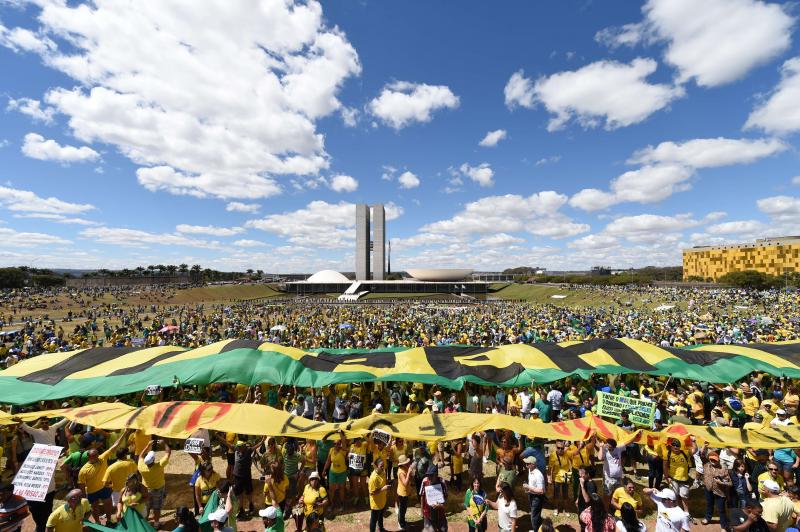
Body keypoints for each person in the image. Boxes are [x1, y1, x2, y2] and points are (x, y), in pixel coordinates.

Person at [77, 428, 127, 524]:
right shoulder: (83, 470)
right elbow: (81, 486)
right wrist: (83, 499)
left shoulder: (102, 458)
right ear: (89, 457)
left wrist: (125, 433)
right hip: (92, 491)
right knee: (95, 508)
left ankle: (108, 520)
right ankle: (97, 522)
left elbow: (115, 445)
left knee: (108, 505)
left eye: (97, 455)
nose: (97, 457)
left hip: (104, 487)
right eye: (94, 456)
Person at [137, 439, 171, 527]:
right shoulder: (159, 466)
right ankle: (156, 524)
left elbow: (140, 456)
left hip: (146, 490)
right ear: (153, 460)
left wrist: (147, 446)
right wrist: (164, 444)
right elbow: (168, 452)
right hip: (158, 489)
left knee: (146, 507)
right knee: (157, 507)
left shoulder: (141, 467)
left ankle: (144, 524)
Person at [702, 450, 731, 528]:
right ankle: (708, 518)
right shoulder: (706, 465)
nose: (712, 461)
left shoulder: (723, 469)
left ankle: (723, 526)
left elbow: (729, 483)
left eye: (714, 459)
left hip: (720, 492)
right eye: (711, 459)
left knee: (721, 509)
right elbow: (701, 454)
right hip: (708, 489)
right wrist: (704, 446)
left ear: (718, 460)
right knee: (709, 504)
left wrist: (721, 482)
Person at [323, 432, 347, 513]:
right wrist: (324, 470)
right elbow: (328, 461)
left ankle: (342, 504)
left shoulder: (343, 450)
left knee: (341, 489)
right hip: (332, 472)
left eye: (338, 443)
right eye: (334, 443)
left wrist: (340, 433)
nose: (336, 445)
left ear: (340, 444)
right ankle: (331, 504)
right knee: (331, 489)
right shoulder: (331, 450)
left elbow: (344, 441)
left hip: (342, 472)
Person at [419, 464, 447, 532]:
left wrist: (441, 505)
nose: (429, 477)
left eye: (431, 475)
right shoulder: (425, 481)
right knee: (430, 530)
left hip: (440, 513)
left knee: (443, 529)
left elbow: (446, 496)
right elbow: (422, 497)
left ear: (436, 474)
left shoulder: (442, 481)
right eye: (428, 475)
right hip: (428, 513)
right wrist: (422, 511)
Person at [547, 440, 571, 516]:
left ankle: (566, 509)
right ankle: (556, 508)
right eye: (558, 448)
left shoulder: (567, 453)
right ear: (556, 447)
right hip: (557, 476)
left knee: (565, 493)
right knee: (556, 494)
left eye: (562, 448)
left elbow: (575, 453)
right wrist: (549, 477)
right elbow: (550, 468)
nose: (560, 449)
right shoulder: (552, 455)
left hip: (566, 474)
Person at [522, 455, 545, 532]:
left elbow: (541, 491)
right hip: (532, 495)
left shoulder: (538, 475)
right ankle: (539, 529)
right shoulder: (530, 470)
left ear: (533, 464)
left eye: (528, 463)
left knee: (534, 517)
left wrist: (529, 487)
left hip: (537, 498)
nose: (526, 465)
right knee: (536, 515)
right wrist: (529, 490)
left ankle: (536, 530)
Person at [368, 458, 389, 532]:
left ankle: (381, 528)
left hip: (382, 500)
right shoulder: (373, 478)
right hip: (376, 503)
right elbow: (372, 492)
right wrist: (383, 489)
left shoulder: (383, 472)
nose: (383, 467)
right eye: (381, 466)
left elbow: (383, 482)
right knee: (374, 520)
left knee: (380, 516)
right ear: (376, 466)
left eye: (383, 465)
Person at [576, 467, 598, 532]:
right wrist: (578, 499)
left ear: (588, 474)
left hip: (587, 510)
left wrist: (582, 486)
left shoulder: (591, 485)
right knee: (582, 525)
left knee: (586, 526)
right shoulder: (584, 481)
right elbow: (580, 491)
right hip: (581, 507)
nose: (582, 475)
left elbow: (587, 500)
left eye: (583, 473)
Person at [396, 454, 412, 531]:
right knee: (402, 509)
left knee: (403, 508)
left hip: (405, 492)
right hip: (402, 494)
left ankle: (402, 521)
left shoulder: (405, 468)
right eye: (407, 463)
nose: (408, 464)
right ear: (403, 464)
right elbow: (405, 483)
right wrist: (408, 473)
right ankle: (401, 524)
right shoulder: (401, 472)